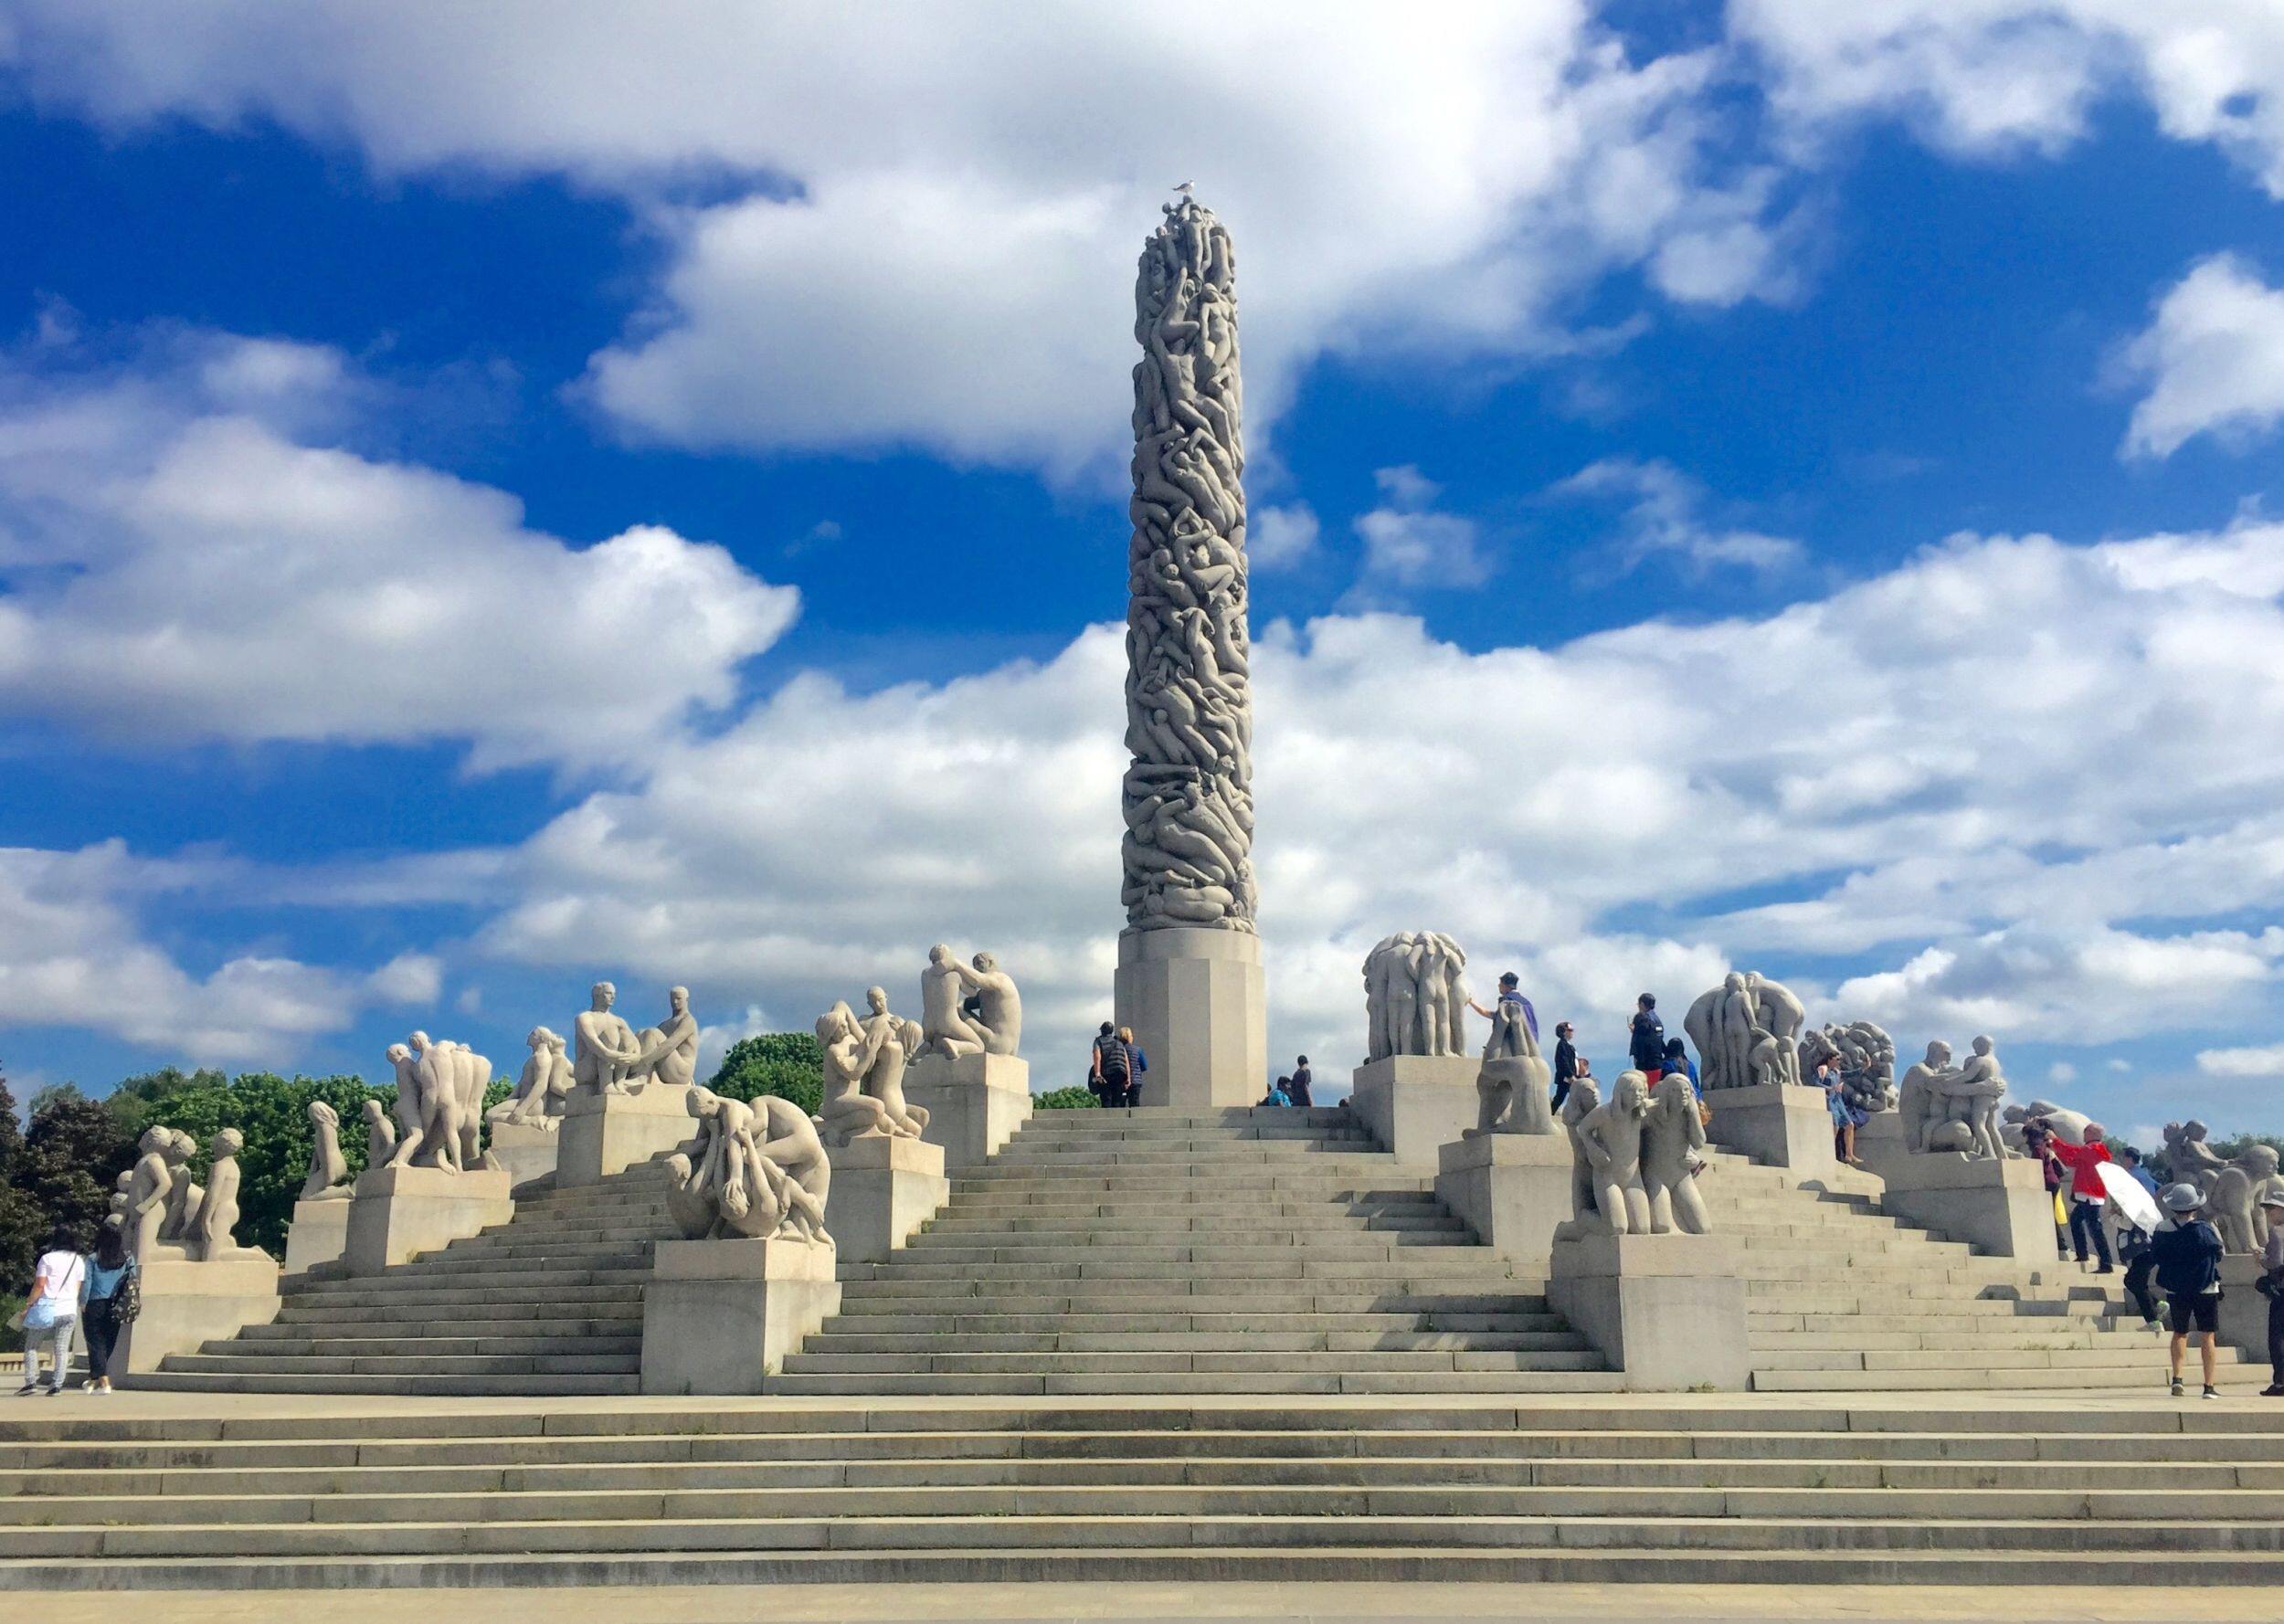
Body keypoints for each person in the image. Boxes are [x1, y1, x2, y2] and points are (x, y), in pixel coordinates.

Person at [2134, 1183, 2226, 1398]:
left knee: (2179, 1333)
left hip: (2176, 1289)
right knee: (2207, 1336)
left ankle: (2177, 1379)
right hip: (2206, 1288)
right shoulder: (2205, 1228)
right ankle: (2208, 1386)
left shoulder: (2162, 1229)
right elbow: (2218, 1252)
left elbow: (2156, 1255)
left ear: (2173, 1207)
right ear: (2195, 1206)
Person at [17, 1228, 84, 1396]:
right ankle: (56, 1385)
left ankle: (31, 1382)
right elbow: (78, 1287)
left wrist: (29, 1304)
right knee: (61, 1349)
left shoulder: (47, 1259)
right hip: (69, 1309)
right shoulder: (79, 1261)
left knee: (31, 1346)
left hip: (47, 1308)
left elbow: (40, 1285)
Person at [2045, 1123, 2116, 1274]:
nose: (2084, 1134)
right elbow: (2072, 1159)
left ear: (2091, 1133)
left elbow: (2076, 1153)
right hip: (2087, 1193)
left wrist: (2055, 1140)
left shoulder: (2096, 1148)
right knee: (2077, 1221)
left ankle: (2106, 1262)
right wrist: (2054, 1145)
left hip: (2090, 1192)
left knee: (2094, 1228)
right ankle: (2083, 1254)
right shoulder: (2092, 1150)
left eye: (2086, 1131)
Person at [79, 1216, 135, 1395]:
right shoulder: (127, 1258)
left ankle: (103, 1380)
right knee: (109, 1340)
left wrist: (83, 1302)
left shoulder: (93, 1258)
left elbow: (87, 1282)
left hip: (95, 1302)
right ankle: (95, 1379)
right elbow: (133, 1279)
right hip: (118, 1303)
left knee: (95, 1341)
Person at [2259, 1186, 2284, 1398]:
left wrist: (2260, 1258)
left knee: (2277, 1337)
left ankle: (2280, 1382)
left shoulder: (2277, 1232)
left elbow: (2275, 1262)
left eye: (2272, 1209)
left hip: (2281, 1291)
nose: (2269, 1214)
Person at [1817, 1057, 1866, 1165]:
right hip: (1829, 1100)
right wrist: (1829, 1088)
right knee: (1835, 1127)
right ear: (1830, 1060)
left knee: (1850, 1125)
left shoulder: (1837, 1072)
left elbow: (1851, 1073)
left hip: (1838, 1100)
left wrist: (1863, 1068)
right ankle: (1828, 1154)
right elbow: (1816, 1082)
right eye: (1837, 1059)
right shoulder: (1823, 1070)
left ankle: (1849, 1154)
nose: (1839, 1062)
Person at [1629, 994, 1665, 1082]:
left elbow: (1642, 1038)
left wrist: (1634, 1030)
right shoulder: (1657, 1020)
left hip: (1644, 1063)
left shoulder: (1640, 1017)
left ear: (1642, 1004)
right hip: (1658, 1062)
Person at [1550, 1023, 1579, 1112]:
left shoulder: (1568, 1045)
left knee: (1574, 1097)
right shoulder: (1562, 1045)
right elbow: (1563, 1061)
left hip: (1571, 1077)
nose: (1572, 1032)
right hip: (1566, 1078)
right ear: (1563, 1032)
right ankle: (1550, 1113)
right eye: (1570, 1030)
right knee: (1560, 1097)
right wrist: (1570, 1075)